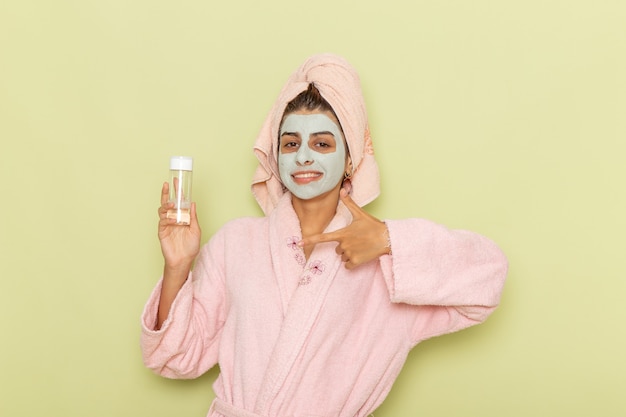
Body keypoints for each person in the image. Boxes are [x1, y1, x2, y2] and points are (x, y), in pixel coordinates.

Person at [141, 53, 508, 417]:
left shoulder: (388, 264)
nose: (303, 157)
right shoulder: (236, 243)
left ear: (350, 159)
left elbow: (488, 278)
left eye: (321, 144)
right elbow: (174, 359)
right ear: (276, 156)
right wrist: (177, 266)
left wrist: (387, 240)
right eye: (290, 144)